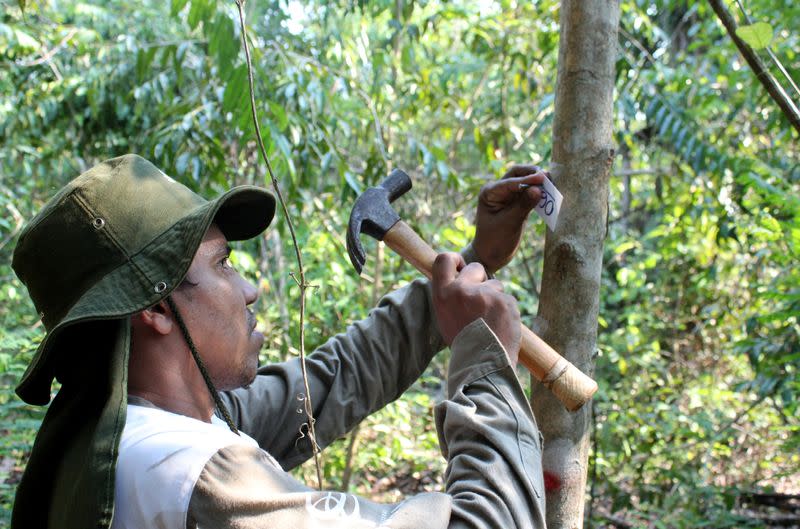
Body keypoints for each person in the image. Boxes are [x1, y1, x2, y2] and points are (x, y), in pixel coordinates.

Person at [10, 154, 549, 529]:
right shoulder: (187, 473)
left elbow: (335, 380)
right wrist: (485, 362)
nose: (248, 290)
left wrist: (472, 261)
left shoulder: (131, 426)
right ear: (155, 307)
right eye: (223, 264)